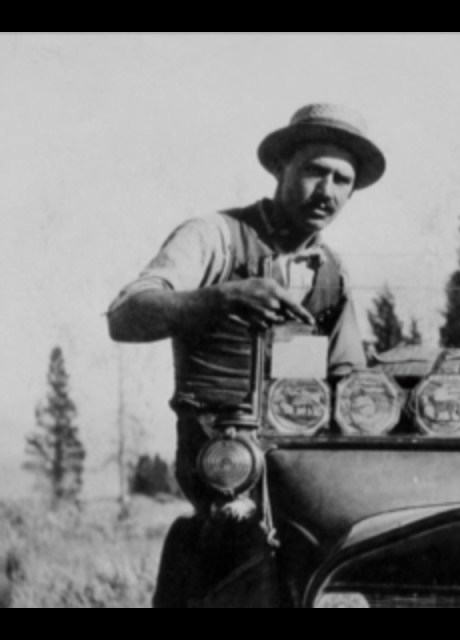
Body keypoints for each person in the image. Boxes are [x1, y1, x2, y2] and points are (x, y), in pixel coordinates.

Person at [108, 102, 384, 515]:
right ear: (280, 166)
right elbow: (125, 316)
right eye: (314, 171)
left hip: (304, 468)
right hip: (222, 464)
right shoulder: (214, 236)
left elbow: (348, 378)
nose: (328, 191)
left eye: (342, 180)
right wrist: (224, 298)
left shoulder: (333, 274)